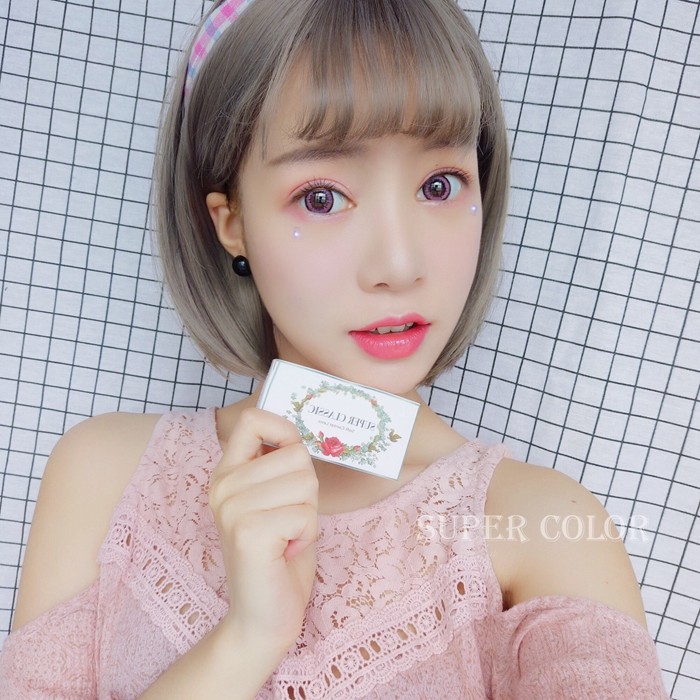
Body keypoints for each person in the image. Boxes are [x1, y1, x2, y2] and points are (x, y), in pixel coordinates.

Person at [0, 0, 669, 697]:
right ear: (231, 223)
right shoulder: (107, 477)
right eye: (322, 198)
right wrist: (247, 640)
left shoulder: (546, 527)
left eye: (439, 185)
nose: (399, 265)